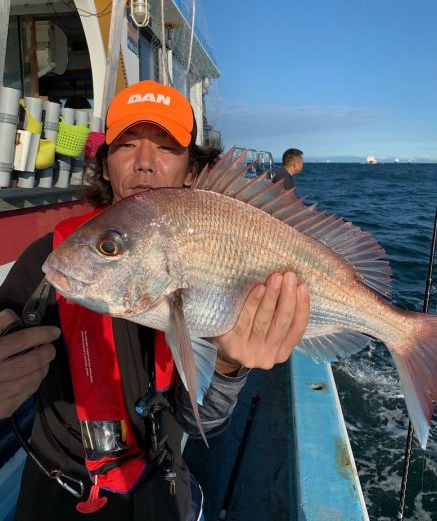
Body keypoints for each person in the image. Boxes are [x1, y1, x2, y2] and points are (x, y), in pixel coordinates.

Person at [0, 80, 310, 521]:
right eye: (125, 144)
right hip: (57, 491)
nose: (144, 163)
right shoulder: (52, 261)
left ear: (190, 172)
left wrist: (227, 365)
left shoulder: (216, 249)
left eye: (165, 148)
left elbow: (201, 421)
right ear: (105, 166)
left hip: (161, 487)